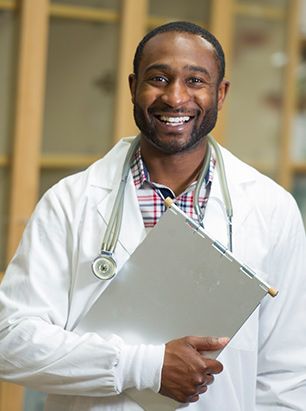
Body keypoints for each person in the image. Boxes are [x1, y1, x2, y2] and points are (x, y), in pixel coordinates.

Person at [0, 20, 306, 411]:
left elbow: (286, 378)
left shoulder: (271, 208)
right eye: (158, 78)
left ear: (221, 93)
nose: (175, 98)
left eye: (195, 81)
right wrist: (146, 367)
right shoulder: (69, 202)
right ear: (133, 87)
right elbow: (11, 342)